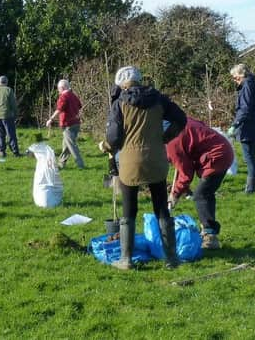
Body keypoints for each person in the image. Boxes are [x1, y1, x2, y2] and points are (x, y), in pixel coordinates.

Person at [105, 66, 186, 270]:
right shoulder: (158, 98)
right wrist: (165, 138)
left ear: (123, 84)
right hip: (157, 158)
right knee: (161, 209)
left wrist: (105, 146)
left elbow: (113, 138)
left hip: (130, 161)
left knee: (129, 210)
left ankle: (126, 259)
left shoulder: (120, 103)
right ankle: (171, 259)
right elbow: (181, 119)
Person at [166, 117, 234, 249]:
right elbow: (201, 126)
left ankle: (210, 236)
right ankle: (208, 230)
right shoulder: (181, 121)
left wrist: (175, 194)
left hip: (217, 157)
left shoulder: (171, 142)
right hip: (223, 149)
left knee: (201, 195)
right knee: (206, 193)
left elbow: (186, 173)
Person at [228, 64, 255, 194]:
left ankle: (250, 189)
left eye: (235, 78)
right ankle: (252, 187)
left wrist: (235, 124)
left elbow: (245, 108)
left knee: (249, 158)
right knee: (251, 157)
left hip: (247, 125)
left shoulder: (247, 85)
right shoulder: (254, 83)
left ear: (241, 75)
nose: (234, 80)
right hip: (254, 123)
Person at [45, 79, 85, 169]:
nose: (58, 91)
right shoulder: (73, 95)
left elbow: (59, 109)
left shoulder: (63, 97)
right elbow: (79, 106)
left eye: (58, 89)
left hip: (68, 125)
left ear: (62, 88)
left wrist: (50, 119)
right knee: (66, 145)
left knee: (71, 145)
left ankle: (80, 164)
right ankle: (61, 163)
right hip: (76, 123)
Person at [0, 75, 21, 158]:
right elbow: (13, 105)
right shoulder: (9, 90)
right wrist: (16, 116)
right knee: (11, 135)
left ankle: (2, 151)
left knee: (0, 135)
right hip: (7, 116)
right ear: (6, 82)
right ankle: (15, 152)